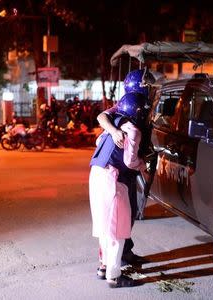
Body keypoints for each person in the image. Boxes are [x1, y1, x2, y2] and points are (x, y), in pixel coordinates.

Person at [96, 69, 154, 265]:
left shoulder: (143, 105)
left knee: (129, 212)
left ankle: (123, 252)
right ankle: (114, 261)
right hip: (122, 168)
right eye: (148, 86)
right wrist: (113, 131)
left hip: (128, 165)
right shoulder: (126, 105)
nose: (151, 89)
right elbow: (101, 117)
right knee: (117, 216)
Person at [89, 92, 148, 288]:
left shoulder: (112, 123)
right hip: (112, 179)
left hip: (96, 174)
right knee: (117, 228)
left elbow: (98, 143)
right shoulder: (133, 130)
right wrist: (142, 164)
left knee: (105, 227)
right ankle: (114, 276)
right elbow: (129, 162)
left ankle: (103, 267)